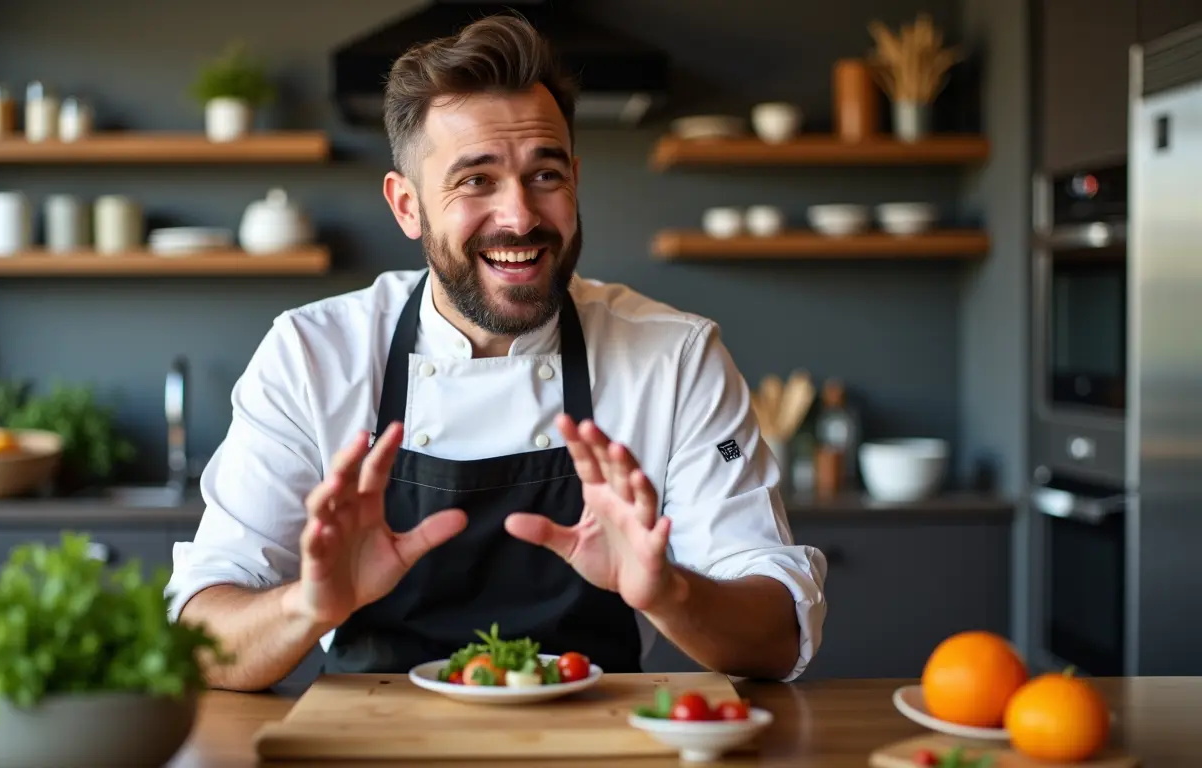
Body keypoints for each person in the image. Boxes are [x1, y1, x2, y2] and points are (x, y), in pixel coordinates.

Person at [166, 13, 827, 692]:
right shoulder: (314, 354)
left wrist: (668, 593)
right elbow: (200, 631)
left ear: (575, 179)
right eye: (476, 180)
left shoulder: (675, 356)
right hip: (372, 747)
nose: (519, 217)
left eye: (544, 175)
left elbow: (775, 639)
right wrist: (308, 604)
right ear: (408, 206)